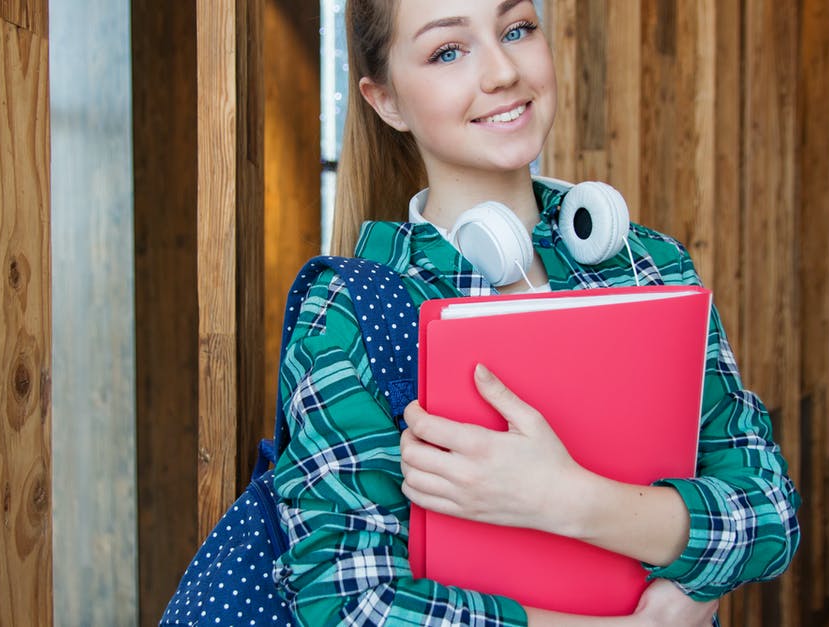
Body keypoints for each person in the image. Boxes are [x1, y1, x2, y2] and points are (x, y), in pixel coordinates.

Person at [271, 0, 801, 625]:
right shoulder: (350, 310)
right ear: (385, 100)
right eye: (448, 50)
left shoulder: (651, 266)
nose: (501, 72)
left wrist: (567, 500)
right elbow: (347, 603)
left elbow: (770, 515)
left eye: (516, 30)